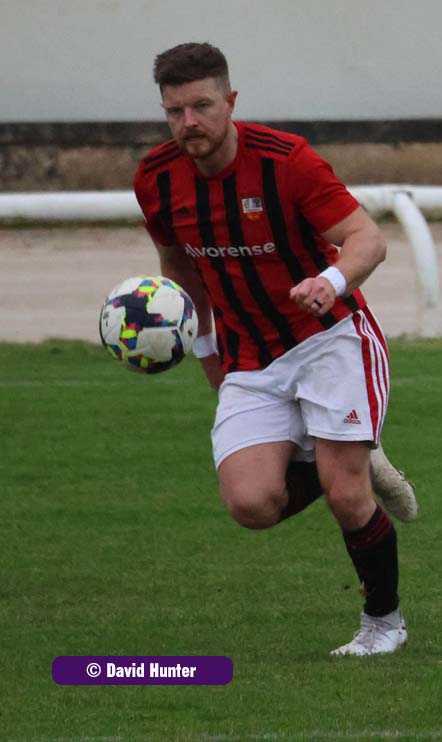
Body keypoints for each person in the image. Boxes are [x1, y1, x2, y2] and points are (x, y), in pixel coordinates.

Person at [133, 42, 417, 656]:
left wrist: (331, 280)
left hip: (330, 339)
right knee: (251, 504)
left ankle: (383, 623)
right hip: (247, 356)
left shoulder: (286, 162)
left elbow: (367, 239)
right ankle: (351, 453)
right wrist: (202, 349)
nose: (190, 123)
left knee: (346, 497)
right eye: (175, 110)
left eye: (202, 106)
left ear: (230, 101)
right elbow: (180, 272)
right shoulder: (155, 178)